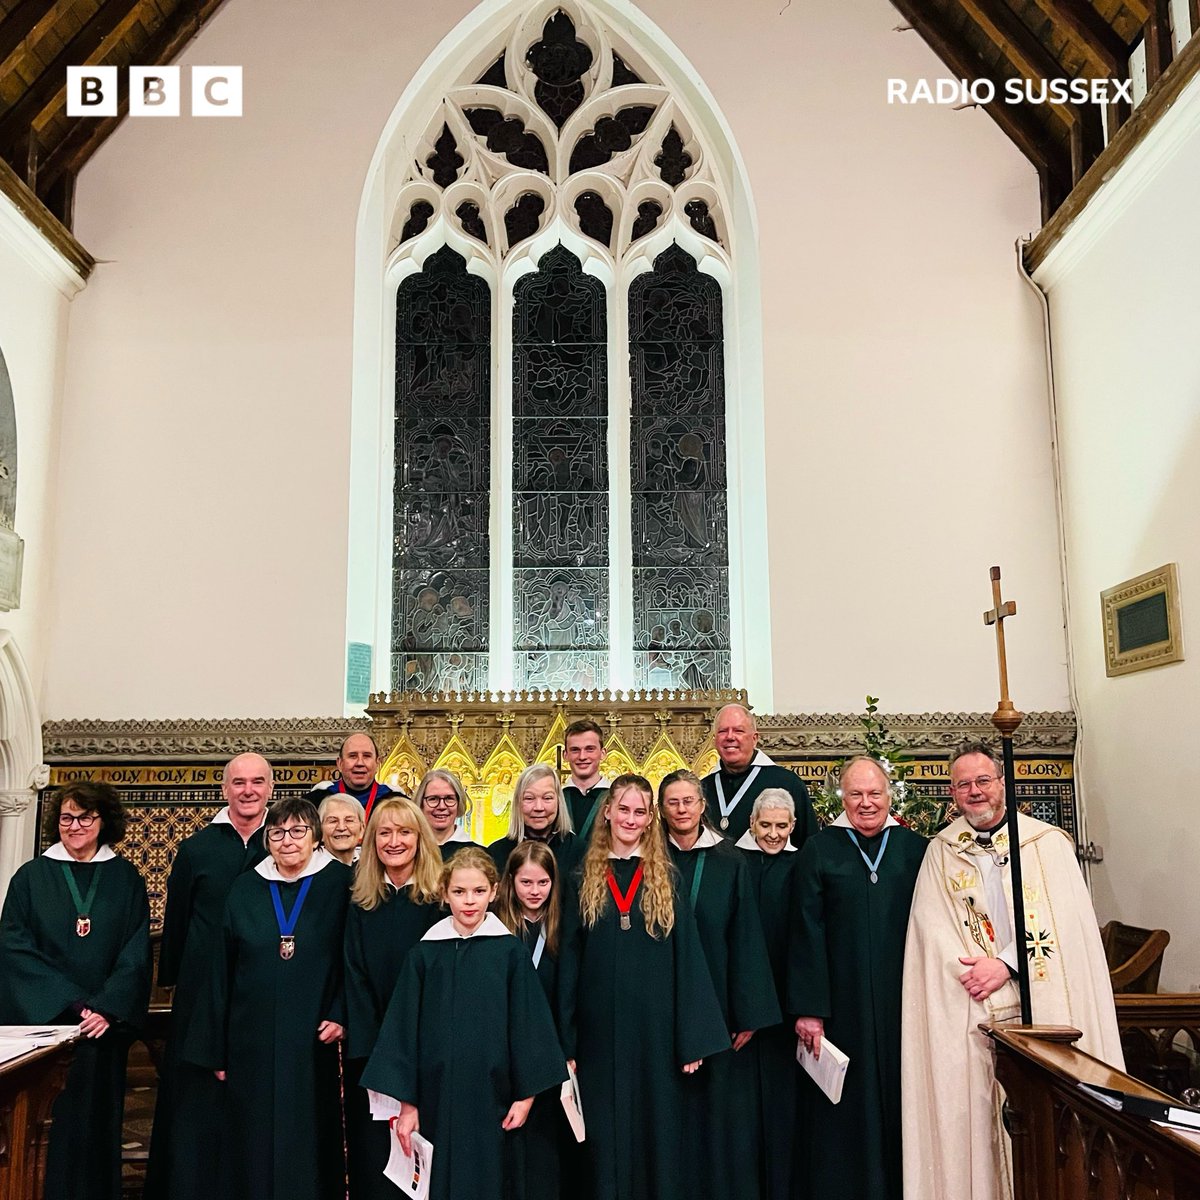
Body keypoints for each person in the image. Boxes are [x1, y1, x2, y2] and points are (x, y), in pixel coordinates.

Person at [902, 740, 1124, 1200]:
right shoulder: (942, 852)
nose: (974, 791)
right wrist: (978, 971)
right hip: (976, 1010)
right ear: (952, 792)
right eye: (963, 784)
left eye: (983, 780)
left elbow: (1064, 928)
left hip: (1042, 1007)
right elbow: (932, 929)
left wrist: (1006, 963)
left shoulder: (1045, 846)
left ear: (1002, 783)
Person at [558, 773, 729, 1200]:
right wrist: (567, 1041)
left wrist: (692, 1039)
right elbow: (569, 963)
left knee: (658, 1132)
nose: (630, 819)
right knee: (601, 1137)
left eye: (640, 812)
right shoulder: (581, 877)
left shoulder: (665, 877)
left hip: (656, 1034)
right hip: (599, 1036)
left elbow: (687, 957)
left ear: (650, 818)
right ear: (608, 812)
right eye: (624, 810)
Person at [361, 846, 567, 1200]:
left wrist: (526, 1098)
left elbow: (530, 1028)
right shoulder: (425, 954)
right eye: (459, 891)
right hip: (434, 1099)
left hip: (495, 1100)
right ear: (444, 894)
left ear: (494, 891)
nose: (468, 901)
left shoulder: (510, 954)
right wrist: (407, 1106)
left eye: (477, 891)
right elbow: (402, 1031)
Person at [184, 797, 352, 1200]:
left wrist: (342, 1011)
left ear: (316, 837)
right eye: (277, 833)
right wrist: (217, 1049)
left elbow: (355, 958)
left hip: (315, 1037)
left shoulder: (341, 883)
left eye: (298, 831)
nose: (287, 841)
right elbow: (221, 968)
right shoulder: (246, 887)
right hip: (250, 1037)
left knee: (310, 1131)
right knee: (251, 1134)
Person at [0, 781, 151, 1200]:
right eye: (67, 817)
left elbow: (136, 950)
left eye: (85, 817)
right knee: (45, 1128)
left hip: (103, 1030)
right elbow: (13, 946)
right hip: (47, 1028)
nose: (75, 825)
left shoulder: (126, 878)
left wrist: (106, 1007)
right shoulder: (30, 877)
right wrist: (71, 1002)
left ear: (104, 822)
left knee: (95, 1126)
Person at [789, 757, 927, 1200]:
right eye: (855, 795)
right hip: (840, 1004)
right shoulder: (819, 849)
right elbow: (804, 929)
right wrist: (810, 1009)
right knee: (846, 1109)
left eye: (874, 794)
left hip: (904, 1000)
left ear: (890, 795)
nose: (866, 804)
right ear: (841, 797)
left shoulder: (915, 849)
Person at [146, 752, 272, 1200]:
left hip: (260, 991)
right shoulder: (197, 848)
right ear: (224, 790)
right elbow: (176, 922)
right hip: (200, 994)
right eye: (239, 782)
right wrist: (176, 980)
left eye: (258, 782)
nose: (248, 790)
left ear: (270, 790)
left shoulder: (281, 846)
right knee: (194, 1102)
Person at [660, 769, 780, 1200]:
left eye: (688, 801)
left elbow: (746, 937)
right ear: (662, 809)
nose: (681, 810)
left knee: (719, 1116)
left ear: (702, 805)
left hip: (721, 1005)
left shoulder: (730, 861)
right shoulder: (652, 860)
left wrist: (747, 1012)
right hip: (665, 1004)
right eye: (672, 802)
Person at [344, 798, 443, 1200]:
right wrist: (380, 1050)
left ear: (421, 839)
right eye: (384, 832)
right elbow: (354, 974)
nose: (394, 841)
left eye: (404, 832)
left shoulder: (438, 901)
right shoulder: (361, 901)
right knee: (378, 1163)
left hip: (429, 1048)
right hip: (375, 1052)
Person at [495, 840, 572, 1200]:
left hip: (552, 1057)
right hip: (505, 1056)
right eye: (526, 883)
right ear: (510, 883)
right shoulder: (496, 930)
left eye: (543, 883)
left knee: (546, 1153)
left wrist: (568, 1050)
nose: (535, 891)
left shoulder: (563, 930)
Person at [736, 787, 804, 1200]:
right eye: (766, 825)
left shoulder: (801, 864)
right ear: (751, 824)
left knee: (785, 1112)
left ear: (793, 826)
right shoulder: (734, 862)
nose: (774, 834)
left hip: (787, 1009)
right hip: (745, 1012)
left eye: (782, 826)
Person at [701, 703, 818, 846]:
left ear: (754, 738)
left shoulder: (788, 783)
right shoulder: (703, 788)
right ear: (714, 739)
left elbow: (809, 846)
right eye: (722, 731)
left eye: (738, 731)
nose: (730, 737)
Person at [487, 762, 578, 876]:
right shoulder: (496, 854)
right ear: (517, 803)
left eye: (547, 798)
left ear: (559, 802)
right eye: (529, 798)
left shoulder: (580, 852)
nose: (538, 807)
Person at [308, 731, 398, 820]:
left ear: (377, 763)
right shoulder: (314, 802)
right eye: (352, 756)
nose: (360, 763)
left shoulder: (396, 801)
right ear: (340, 763)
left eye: (366, 756)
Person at [561, 718, 610, 841]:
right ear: (565, 755)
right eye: (575, 750)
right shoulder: (555, 799)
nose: (582, 756)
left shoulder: (617, 798)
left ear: (603, 753)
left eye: (590, 749)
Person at [414, 767, 477, 847]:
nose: (441, 806)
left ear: (459, 803)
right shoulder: (408, 851)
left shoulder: (479, 854)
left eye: (449, 798)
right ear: (421, 803)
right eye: (433, 799)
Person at [318, 792, 366, 865]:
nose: (341, 827)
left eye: (349, 820)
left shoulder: (371, 867)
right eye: (333, 821)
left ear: (362, 829)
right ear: (320, 830)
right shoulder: (308, 869)